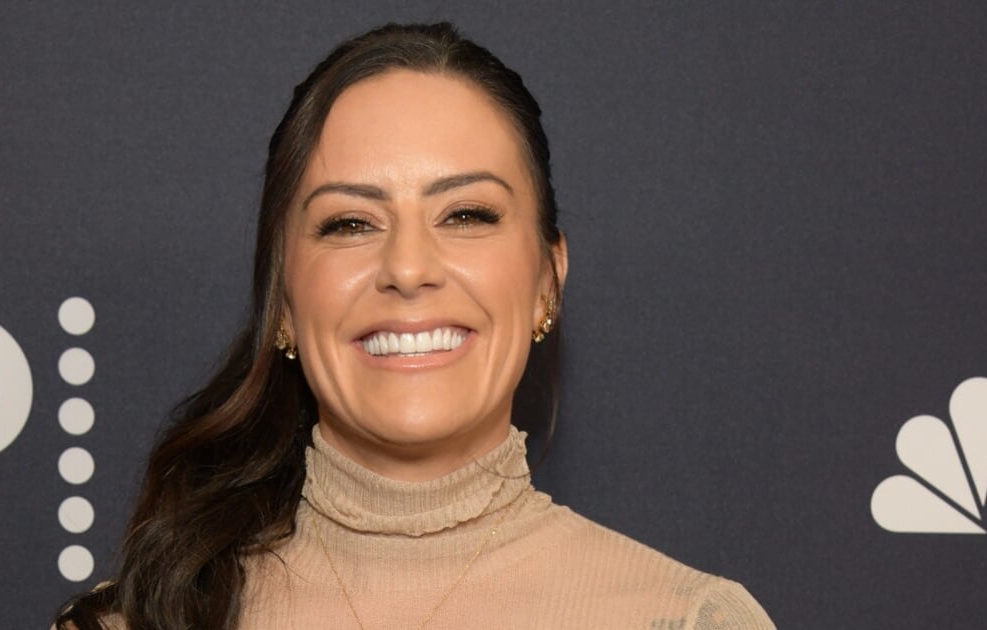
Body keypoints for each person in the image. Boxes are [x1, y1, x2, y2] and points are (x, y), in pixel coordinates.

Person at [56, 21, 775, 630]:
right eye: (350, 223)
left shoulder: (685, 619)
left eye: (466, 215)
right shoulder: (132, 622)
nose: (407, 267)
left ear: (546, 284)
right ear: (282, 304)